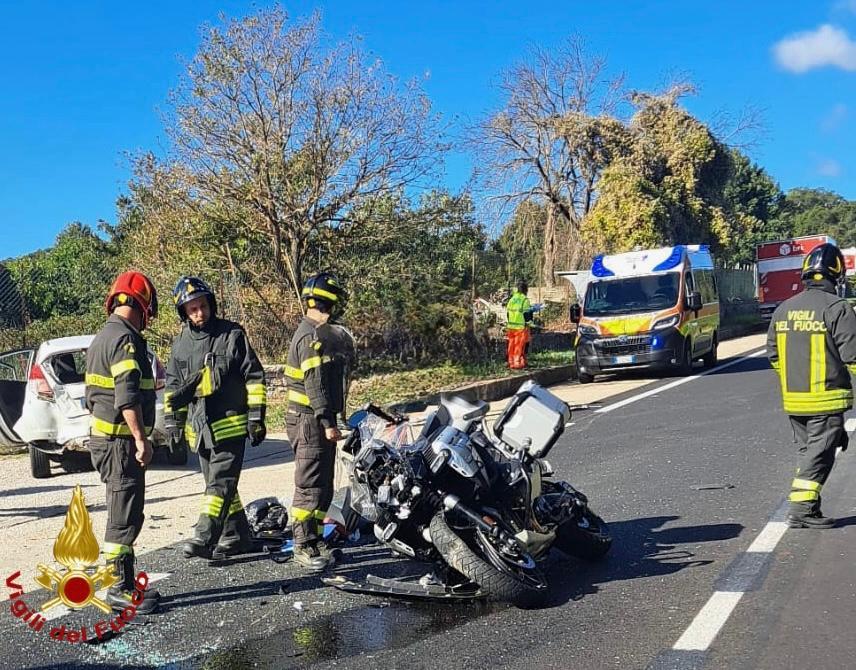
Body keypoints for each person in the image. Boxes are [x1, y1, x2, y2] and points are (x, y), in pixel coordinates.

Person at [164, 276, 267, 559]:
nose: (200, 313)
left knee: (219, 485)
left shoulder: (231, 335)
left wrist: (256, 417)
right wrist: (173, 426)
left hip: (230, 426)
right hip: (201, 432)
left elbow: (255, 377)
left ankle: (204, 536)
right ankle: (236, 536)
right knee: (223, 487)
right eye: (193, 309)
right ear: (184, 312)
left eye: (203, 306)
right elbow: (173, 388)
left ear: (211, 304)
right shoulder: (180, 345)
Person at [85, 271, 161, 614]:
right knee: (123, 514)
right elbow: (127, 397)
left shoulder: (104, 336)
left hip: (109, 441)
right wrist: (141, 439)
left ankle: (124, 582)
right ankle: (119, 588)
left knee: (125, 509)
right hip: (120, 444)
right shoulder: (125, 340)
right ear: (143, 306)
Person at [768, 242, 856, 528]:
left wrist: (794, 379)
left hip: (795, 400)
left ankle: (808, 507)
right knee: (820, 455)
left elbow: (773, 355)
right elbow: (853, 356)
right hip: (825, 400)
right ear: (837, 275)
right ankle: (801, 509)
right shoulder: (837, 308)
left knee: (810, 454)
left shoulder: (783, 309)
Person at [285, 272, 354, 571]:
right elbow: (315, 385)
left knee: (324, 485)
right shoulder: (311, 337)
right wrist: (328, 422)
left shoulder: (316, 333)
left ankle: (314, 539)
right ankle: (302, 544)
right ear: (331, 305)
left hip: (314, 419)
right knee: (310, 484)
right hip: (309, 421)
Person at [506, 280, 534, 369]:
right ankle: (517, 363)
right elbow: (527, 314)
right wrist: (530, 323)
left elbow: (508, 313)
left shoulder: (512, 299)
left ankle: (511, 362)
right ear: (526, 289)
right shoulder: (524, 300)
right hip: (520, 327)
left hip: (511, 326)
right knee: (519, 346)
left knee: (511, 345)